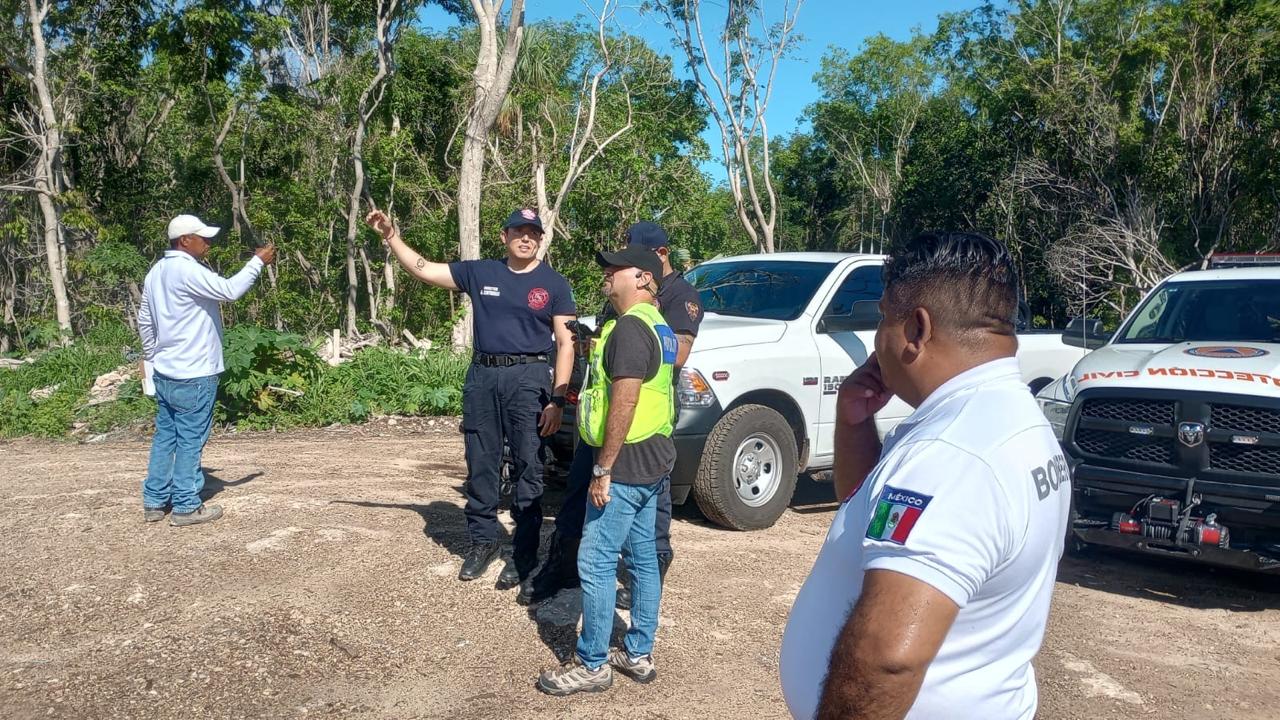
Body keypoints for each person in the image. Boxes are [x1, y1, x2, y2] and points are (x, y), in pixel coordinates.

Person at [779, 231, 1071, 720]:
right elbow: (868, 512)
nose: (877, 340)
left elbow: (887, 660)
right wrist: (854, 423)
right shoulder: (1002, 417)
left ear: (916, 330)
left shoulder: (953, 454)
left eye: (881, 320)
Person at [365, 207, 575, 587]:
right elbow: (424, 269)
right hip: (482, 375)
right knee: (481, 462)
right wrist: (391, 235)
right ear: (504, 237)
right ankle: (483, 542)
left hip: (529, 378)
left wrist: (557, 400)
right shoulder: (481, 272)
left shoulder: (554, 284)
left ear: (541, 239)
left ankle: (523, 555)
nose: (526, 238)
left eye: (533, 232)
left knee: (528, 466)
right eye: (518, 231)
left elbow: (565, 343)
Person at [522, 221, 702, 608]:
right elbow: (610, 344)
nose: (618, 268)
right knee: (577, 496)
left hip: (642, 427)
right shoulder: (619, 288)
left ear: (657, 258)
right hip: (601, 420)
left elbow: (678, 353)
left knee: (649, 522)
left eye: (632, 255)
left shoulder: (680, 295)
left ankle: (642, 586)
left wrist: (632, 340)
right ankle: (562, 567)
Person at [537, 245, 678, 696]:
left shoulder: (632, 329)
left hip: (627, 464)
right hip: (654, 459)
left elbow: (627, 399)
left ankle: (593, 662)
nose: (607, 274)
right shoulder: (659, 325)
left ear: (642, 278)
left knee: (596, 560)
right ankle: (637, 653)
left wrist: (603, 468)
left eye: (615, 269)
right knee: (641, 559)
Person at [138, 214, 276, 526]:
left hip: (166, 370)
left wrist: (152, 355)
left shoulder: (156, 272)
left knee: (165, 437)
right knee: (189, 439)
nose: (208, 242)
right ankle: (186, 505)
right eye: (202, 237)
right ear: (184, 240)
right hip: (195, 371)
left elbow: (145, 320)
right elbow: (229, 290)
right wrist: (257, 262)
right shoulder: (187, 270)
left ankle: (155, 500)